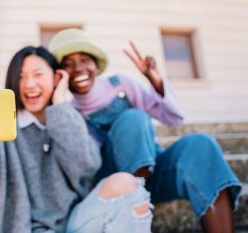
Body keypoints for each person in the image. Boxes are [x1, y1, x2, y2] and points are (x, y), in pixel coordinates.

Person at [0, 46, 153, 233]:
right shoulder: (2, 127)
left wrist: (60, 105)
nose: (29, 84)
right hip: (26, 229)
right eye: (20, 76)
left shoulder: (68, 117)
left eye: (37, 74)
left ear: (56, 78)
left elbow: (87, 165)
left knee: (126, 183)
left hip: (79, 222)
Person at [48, 28, 242, 233]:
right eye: (67, 64)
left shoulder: (121, 84)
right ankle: (134, 197)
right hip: (114, 187)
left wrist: (155, 80)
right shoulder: (65, 113)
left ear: (96, 64)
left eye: (84, 60)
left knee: (201, 145)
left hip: (153, 172)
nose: (78, 68)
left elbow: (174, 118)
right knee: (133, 117)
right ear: (58, 74)